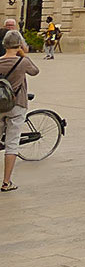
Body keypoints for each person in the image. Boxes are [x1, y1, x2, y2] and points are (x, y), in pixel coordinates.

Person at [0, 30, 38, 191]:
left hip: (0, 105)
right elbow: (35, 71)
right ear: (19, 44)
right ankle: (6, 182)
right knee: (12, 143)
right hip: (17, 104)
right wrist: (23, 54)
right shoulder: (22, 62)